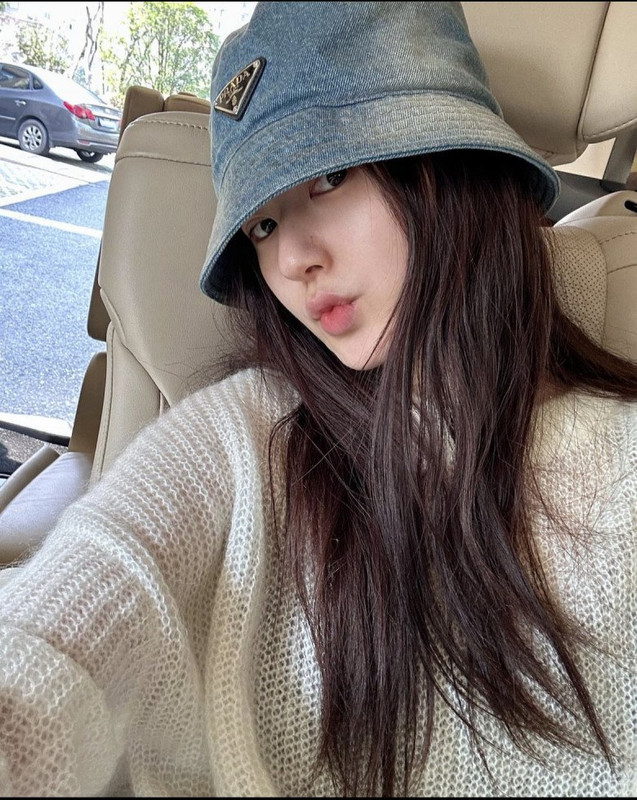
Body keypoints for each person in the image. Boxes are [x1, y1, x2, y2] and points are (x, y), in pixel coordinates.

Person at [0, 2, 635, 796]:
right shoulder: (243, 431)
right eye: (261, 226)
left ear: (454, 164)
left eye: (330, 177)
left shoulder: (620, 460)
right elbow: (80, 606)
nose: (292, 258)